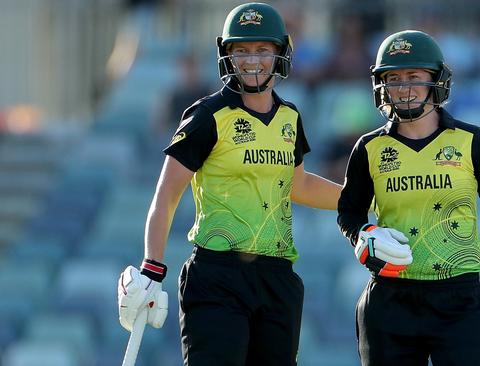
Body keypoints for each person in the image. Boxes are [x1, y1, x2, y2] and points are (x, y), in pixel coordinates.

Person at [117, 3, 342, 365]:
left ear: (280, 52)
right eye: (242, 51)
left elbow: (298, 185)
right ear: (227, 55)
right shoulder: (207, 115)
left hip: (277, 277)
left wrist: (360, 200)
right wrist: (152, 266)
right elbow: (167, 195)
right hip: (217, 276)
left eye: (262, 50)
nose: (252, 60)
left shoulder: (290, 117)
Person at [337, 30, 480, 366]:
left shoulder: (471, 140)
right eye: (393, 78)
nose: (403, 88)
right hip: (390, 300)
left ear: (437, 80)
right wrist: (363, 235)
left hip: (459, 299)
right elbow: (349, 211)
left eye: (414, 77)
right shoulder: (368, 148)